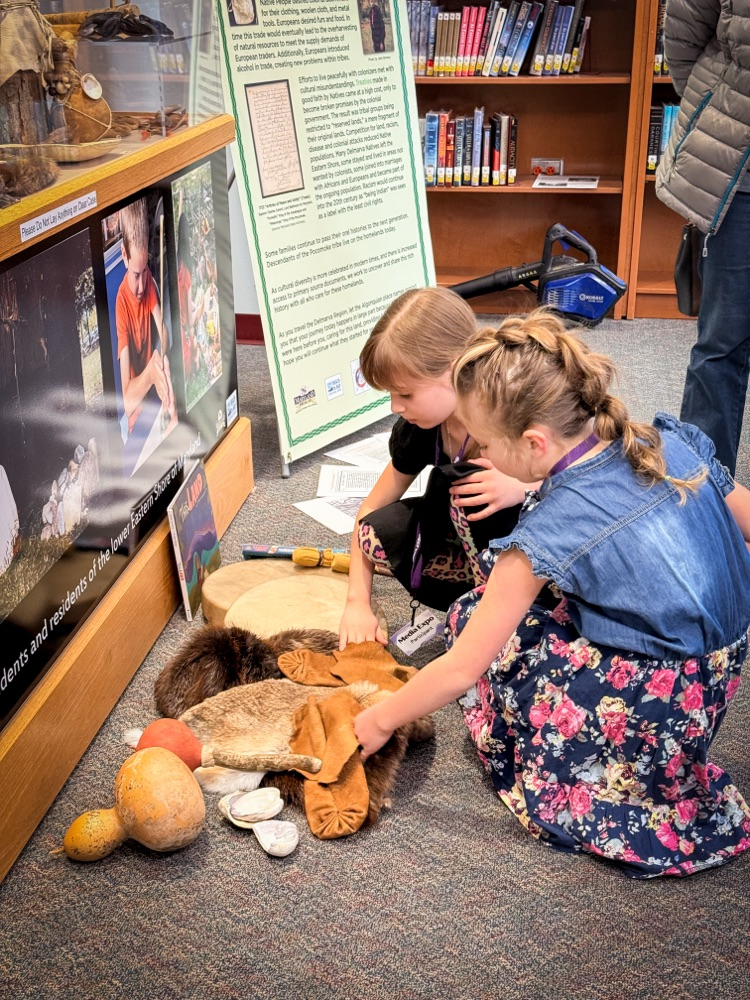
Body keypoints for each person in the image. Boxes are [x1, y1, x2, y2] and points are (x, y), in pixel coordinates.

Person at [355, 307, 750, 878]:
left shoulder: (547, 530)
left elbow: (462, 670)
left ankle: (617, 772)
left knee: (474, 619)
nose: (479, 455)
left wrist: (380, 720)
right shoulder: (664, 442)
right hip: (723, 672)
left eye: (485, 445)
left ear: (535, 444)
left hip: (660, 702)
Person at [339, 286, 533, 649]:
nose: (396, 406)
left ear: (453, 371)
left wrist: (521, 489)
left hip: (526, 551)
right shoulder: (422, 429)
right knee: (374, 533)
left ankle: (506, 612)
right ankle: (476, 602)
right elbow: (369, 510)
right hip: (466, 548)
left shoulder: (512, 408)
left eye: (406, 394)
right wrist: (356, 603)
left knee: (474, 488)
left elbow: (583, 483)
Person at [655, 0, 750, 476]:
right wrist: (720, 110)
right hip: (741, 171)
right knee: (722, 343)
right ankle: (702, 488)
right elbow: (685, 36)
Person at [115, 198, 175, 435]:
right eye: (135, 274)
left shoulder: (148, 278)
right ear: (123, 254)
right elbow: (128, 404)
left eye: (145, 272)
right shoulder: (121, 304)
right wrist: (151, 371)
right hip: (137, 425)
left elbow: (164, 332)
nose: (141, 286)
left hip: (155, 401)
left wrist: (161, 356)